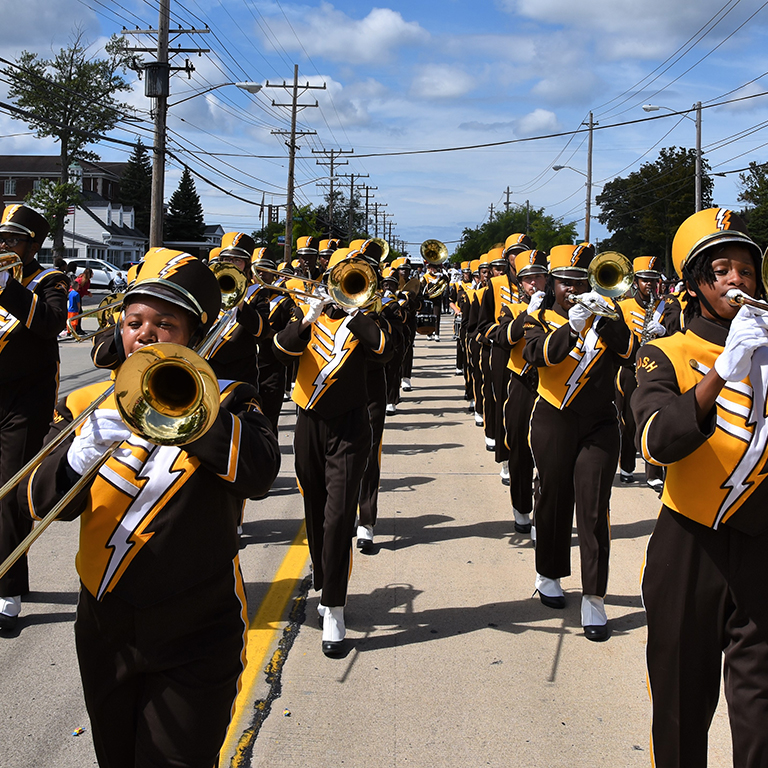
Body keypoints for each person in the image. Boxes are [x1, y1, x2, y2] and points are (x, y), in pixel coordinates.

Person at [23, 248, 281, 767]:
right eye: (135, 321)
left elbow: (259, 472)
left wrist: (194, 414)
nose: (146, 333)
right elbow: (39, 502)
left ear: (196, 336)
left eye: (166, 323)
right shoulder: (83, 407)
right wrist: (82, 449)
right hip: (104, 625)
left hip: (198, 627)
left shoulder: (232, 401)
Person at [632, 208, 768, 768]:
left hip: (760, 542)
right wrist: (722, 372)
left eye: (746, 270)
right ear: (695, 285)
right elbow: (655, 441)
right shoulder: (668, 354)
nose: (737, 281)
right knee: (682, 703)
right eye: (721, 270)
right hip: (690, 543)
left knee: (761, 708)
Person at [273, 248, 392, 655]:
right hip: (308, 422)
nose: (345, 282)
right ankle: (324, 580)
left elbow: (384, 350)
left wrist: (353, 310)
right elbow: (280, 350)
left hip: (350, 426)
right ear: (328, 276)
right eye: (340, 275)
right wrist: (306, 317)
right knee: (315, 508)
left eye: (353, 277)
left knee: (340, 514)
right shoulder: (306, 313)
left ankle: (334, 606)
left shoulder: (369, 320)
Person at [523, 243, 636, 641]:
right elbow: (538, 357)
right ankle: (549, 572)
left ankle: (594, 595)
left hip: (599, 422)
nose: (570, 289)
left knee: (592, 505)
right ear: (553, 283)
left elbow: (629, 354)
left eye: (578, 281)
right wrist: (572, 328)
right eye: (563, 282)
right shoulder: (538, 315)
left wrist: (605, 319)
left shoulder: (611, 313)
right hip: (553, 417)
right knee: (553, 497)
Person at [0, 204, 68, 630]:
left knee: (8, 492)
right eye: (1, 238)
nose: (3, 245)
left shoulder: (50, 280)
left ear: (33, 245)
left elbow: (50, 322)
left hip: (26, 403)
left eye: (13, 239)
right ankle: (14, 577)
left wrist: (8, 287)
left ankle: (6, 593)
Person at [487, 249, 548, 530]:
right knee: (520, 450)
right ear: (519, 282)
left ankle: (543, 514)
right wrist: (528, 314)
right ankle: (522, 506)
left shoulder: (559, 310)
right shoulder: (512, 310)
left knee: (548, 454)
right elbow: (502, 337)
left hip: (551, 385)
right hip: (522, 383)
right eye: (527, 279)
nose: (534, 283)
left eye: (539, 277)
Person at [615, 256, 681, 491]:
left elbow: (679, 333)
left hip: (655, 371)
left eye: (654, 279)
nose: (650, 284)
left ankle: (653, 471)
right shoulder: (622, 306)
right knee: (627, 420)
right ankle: (626, 466)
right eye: (645, 279)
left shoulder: (668, 305)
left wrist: (663, 330)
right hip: (628, 370)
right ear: (636, 281)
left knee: (654, 418)